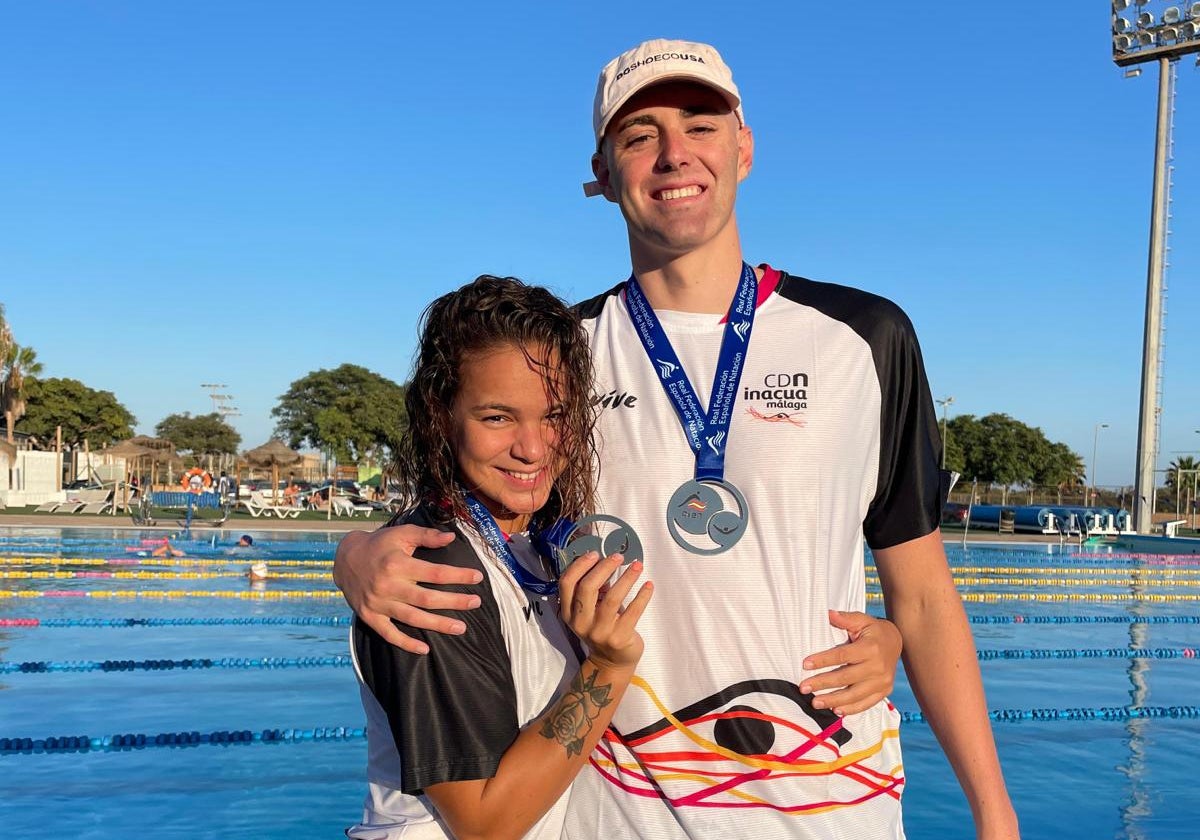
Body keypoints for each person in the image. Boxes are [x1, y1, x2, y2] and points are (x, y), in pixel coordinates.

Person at [335, 39, 1017, 839]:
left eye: (700, 124)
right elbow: (480, 505)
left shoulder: (864, 339)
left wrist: (992, 811)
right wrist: (354, 552)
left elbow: (924, 592)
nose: (673, 155)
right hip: (622, 813)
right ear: (600, 172)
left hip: (835, 807)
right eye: (638, 136)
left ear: (745, 146)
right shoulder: (563, 359)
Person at [346, 275, 653, 840]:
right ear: (442, 415)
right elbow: (487, 821)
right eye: (497, 418)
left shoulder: (534, 541)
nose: (533, 448)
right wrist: (608, 667)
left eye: (555, 415)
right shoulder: (431, 573)